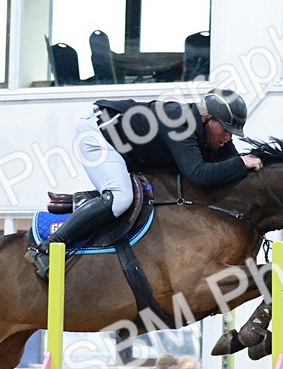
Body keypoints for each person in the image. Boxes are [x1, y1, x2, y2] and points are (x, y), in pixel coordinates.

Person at [26, 88, 264, 278]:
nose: (228, 138)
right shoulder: (179, 122)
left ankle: (95, 204)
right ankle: (49, 246)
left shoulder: (209, 131)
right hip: (98, 135)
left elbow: (233, 165)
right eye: (225, 130)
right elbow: (200, 175)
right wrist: (242, 164)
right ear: (207, 118)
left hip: (130, 148)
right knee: (120, 199)